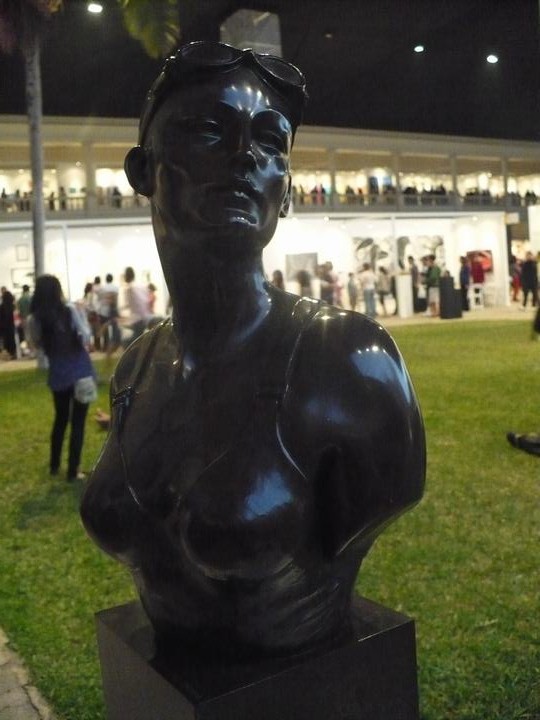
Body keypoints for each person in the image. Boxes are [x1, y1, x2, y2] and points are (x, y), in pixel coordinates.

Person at [81, 41, 425, 660]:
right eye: (209, 130)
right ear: (142, 171)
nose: (246, 156)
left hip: (301, 666)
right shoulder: (137, 368)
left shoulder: (350, 362)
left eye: (271, 142)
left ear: (286, 192)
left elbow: (382, 496)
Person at [27, 275, 95, 481]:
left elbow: (35, 344)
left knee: (61, 419)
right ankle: (73, 470)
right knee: (78, 423)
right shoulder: (70, 310)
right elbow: (85, 336)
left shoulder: (34, 319)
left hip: (58, 373)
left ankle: (54, 465)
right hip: (80, 370)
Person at [121, 266, 151, 344]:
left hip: (136, 319)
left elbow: (127, 304)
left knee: (129, 342)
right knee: (140, 339)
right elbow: (146, 301)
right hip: (145, 317)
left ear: (126, 276)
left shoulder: (129, 288)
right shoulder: (142, 286)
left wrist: (121, 310)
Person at [95, 273, 121, 355]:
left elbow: (99, 300)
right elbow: (116, 300)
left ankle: (105, 348)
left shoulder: (102, 288)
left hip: (103, 311)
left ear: (106, 279)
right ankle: (111, 348)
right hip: (113, 309)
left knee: (105, 330)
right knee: (114, 330)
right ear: (112, 279)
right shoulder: (116, 288)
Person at [0, 286, 17, 359]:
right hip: (12, 325)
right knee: (13, 339)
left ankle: (9, 353)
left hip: (4, 327)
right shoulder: (13, 306)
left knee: (7, 340)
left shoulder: (2, 307)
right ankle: (14, 353)